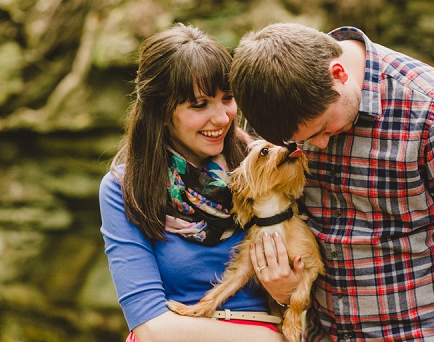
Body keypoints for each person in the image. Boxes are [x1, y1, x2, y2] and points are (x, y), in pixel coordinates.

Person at [230, 23, 434, 341]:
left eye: (323, 128)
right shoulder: (278, 98)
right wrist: (284, 290)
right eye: (302, 140)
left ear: (338, 74)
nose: (319, 145)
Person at [99, 24, 301, 342]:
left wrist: (288, 293)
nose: (222, 117)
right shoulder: (125, 188)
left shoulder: (262, 165)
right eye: (199, 104)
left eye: (227, 98)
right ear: (162, 113)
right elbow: (150, 327)